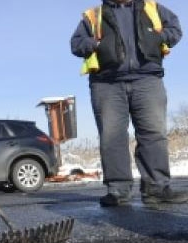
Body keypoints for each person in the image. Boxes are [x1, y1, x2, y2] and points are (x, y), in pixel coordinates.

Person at [70, 0, 188, 207]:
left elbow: (175, 28)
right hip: (106, 83)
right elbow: (76, 43)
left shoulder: (153, 8)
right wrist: (96, 44)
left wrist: (158, 37)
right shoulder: (93, 15)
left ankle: (157, 188)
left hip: (148, 79)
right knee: (112, 136)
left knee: (154, 134)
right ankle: (118, 190)